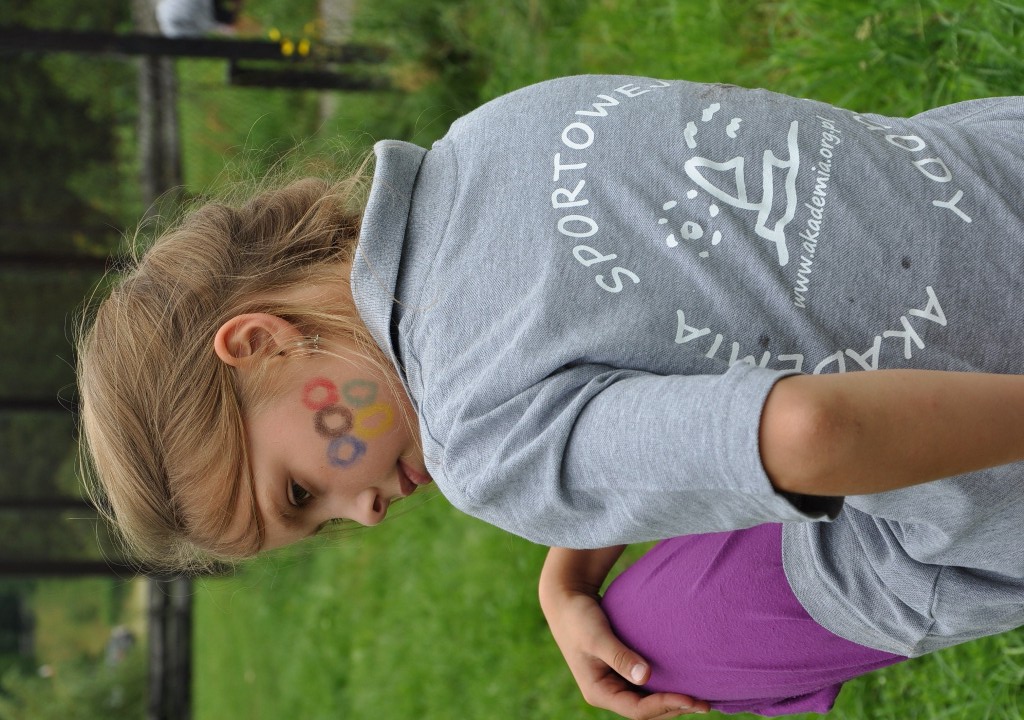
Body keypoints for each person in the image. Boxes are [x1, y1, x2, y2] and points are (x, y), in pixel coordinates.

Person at [77, 75, 1024, 717]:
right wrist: (563, 571)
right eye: (320, 521)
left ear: (259, 342)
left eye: (299, 489)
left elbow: (814, 431)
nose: (360, 513)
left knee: (650, 642)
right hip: (997, 167)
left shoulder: (479, 452)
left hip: (995, 465)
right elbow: (677, 312)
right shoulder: (487, 139)